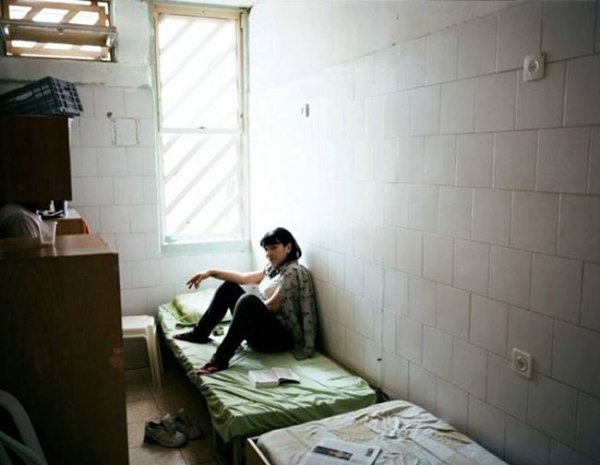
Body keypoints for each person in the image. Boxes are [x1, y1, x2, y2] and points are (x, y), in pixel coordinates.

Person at [174, 227, 317, 375]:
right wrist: (210, 272)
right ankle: (199, 333)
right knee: (229, 287)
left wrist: (244, 314)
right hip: (264, 331)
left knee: (248, 300)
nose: (268, 254)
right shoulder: (273, 268)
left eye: (274, 248)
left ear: (288, 247)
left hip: (279, 339)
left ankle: (220, 359)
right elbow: (242, 278)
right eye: (266, 249)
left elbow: (273, 307)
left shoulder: (292, 272)